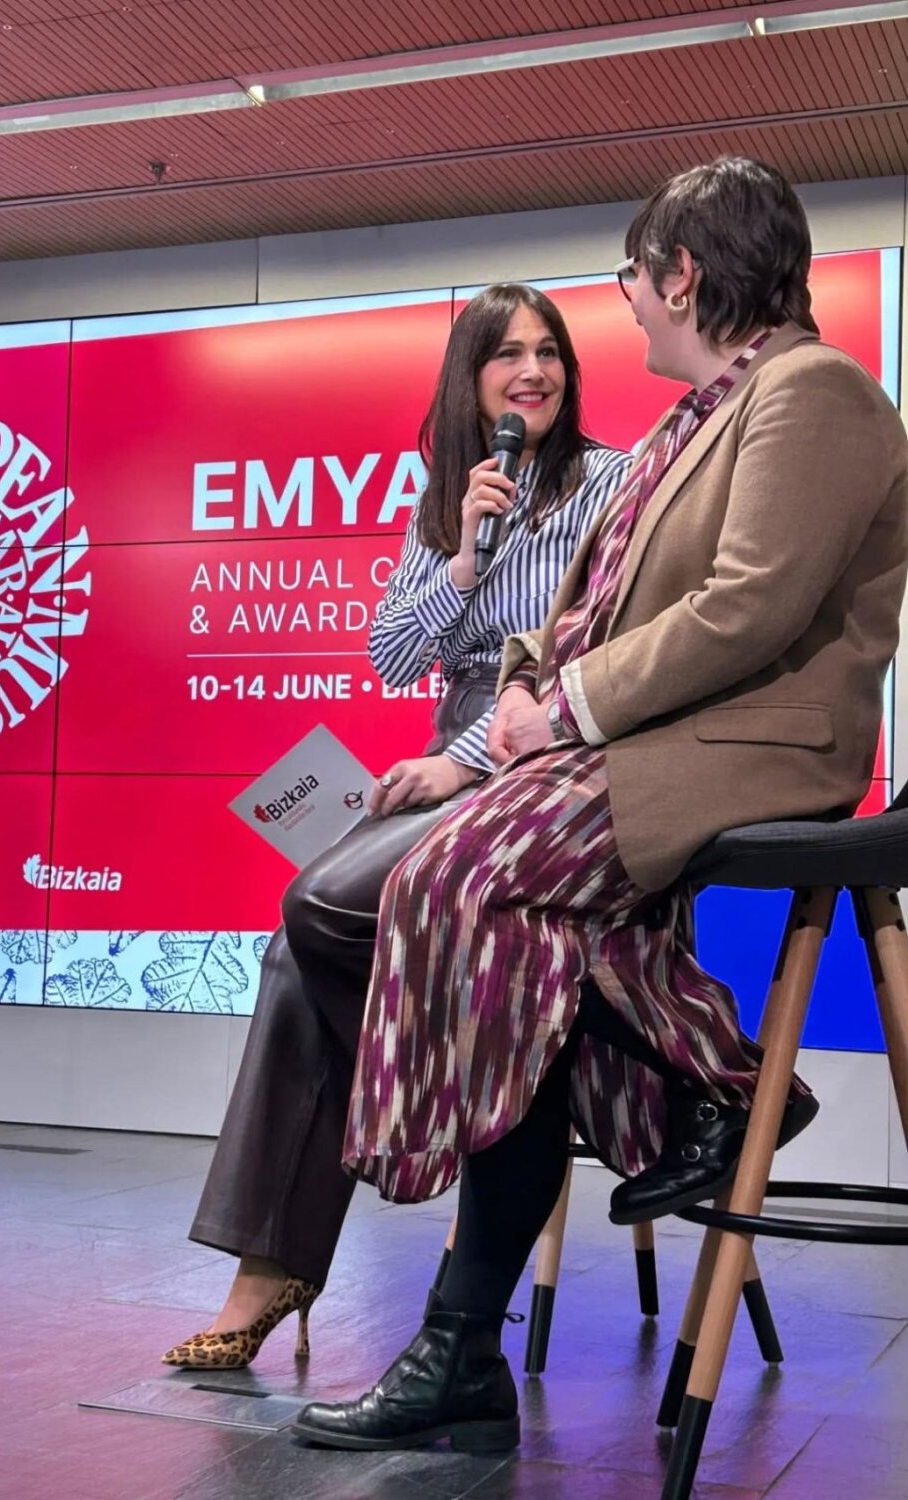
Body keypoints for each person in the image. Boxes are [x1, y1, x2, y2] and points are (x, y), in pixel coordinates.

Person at [293, 155, 908, 1454]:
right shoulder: (696, 420)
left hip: (755, 746)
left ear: (680, 275)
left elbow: (746, 611)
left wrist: (561, 708)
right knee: (505, 938)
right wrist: (519, 699)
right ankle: (487, 1323)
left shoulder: (814, 391)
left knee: (453, 880)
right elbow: (588, 610)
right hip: (653, 737)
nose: (622, 305)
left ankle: (708, 1085)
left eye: (632, 277)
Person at [162, 284, 632, 1369]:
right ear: (469, 380)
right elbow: (388, 655)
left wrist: (460, 761)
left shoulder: (608, 484)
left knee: (314, 925)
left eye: (548, 352)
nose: (533, 372)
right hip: (451, 745)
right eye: (506, 354)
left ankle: (398, 1151)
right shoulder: (450, 501)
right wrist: (464, 558)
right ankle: (279, 1260)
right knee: (292, 949)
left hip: (545, 753)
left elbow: (588, 656)